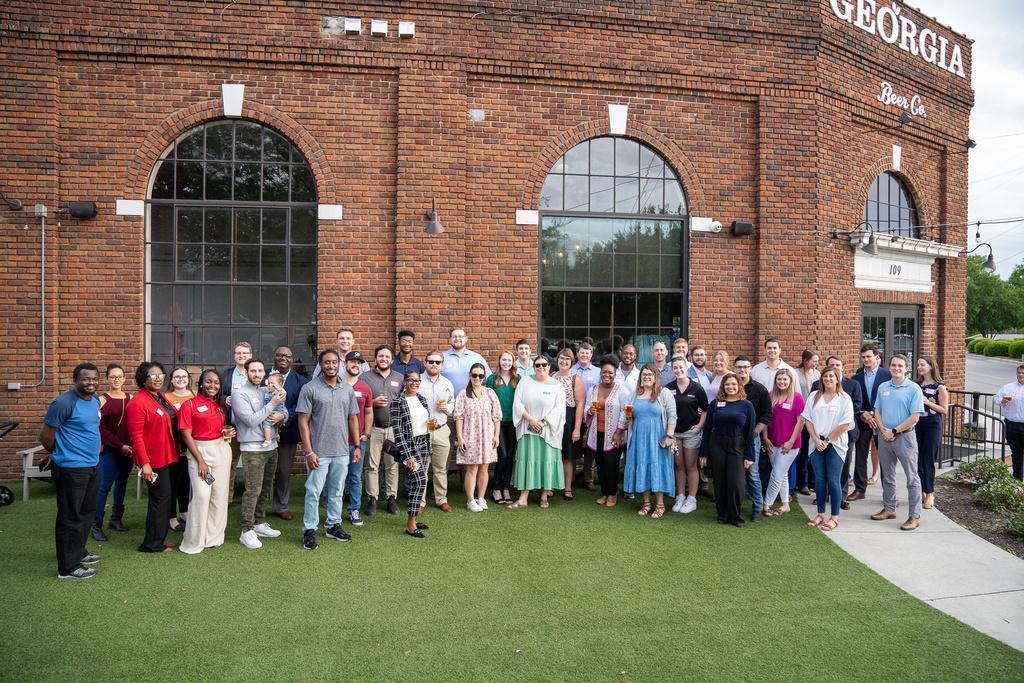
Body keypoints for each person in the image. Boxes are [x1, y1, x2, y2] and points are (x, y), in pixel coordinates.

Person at [40, 363, 102, 579]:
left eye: (94, 378)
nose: (90, 382)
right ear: (75, 380)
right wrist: (60, 454)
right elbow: (46, 436)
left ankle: (78, 552)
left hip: (92, 465)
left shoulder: (95, 400)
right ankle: (67, 568)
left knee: (86, 512)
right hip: (71, 468)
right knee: (70, 516)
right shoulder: (64, 402)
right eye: (85, 379)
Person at [297, 349, 360, 550]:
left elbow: (353, 419)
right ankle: (309, 529)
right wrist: (309, 451)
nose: (331, 366)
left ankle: (333, 525)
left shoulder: (347, 389)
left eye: (334, 362)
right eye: (327, 362)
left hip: (341, 450)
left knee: (337, 491)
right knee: (313, 492)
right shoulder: (310, 388)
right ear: (321, 364)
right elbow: (303, 421)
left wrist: (356, 445)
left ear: (339, 365)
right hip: (318, 452)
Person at [178, 370, 235, 554]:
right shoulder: (189, 405)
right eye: (209, 382)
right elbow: (186, 435)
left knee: (219, 497)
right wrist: (200, 461)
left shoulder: (219, 406)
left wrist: (227, 433)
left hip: (221, 450)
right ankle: (193, 540)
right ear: (201, 384)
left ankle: (213, 537)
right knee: (202, 496)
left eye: (216, 382)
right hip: (199, 452)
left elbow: (218, 430)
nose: (213, 385)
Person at [232, 358, 286, 549]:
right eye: (253, 371)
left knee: (265, 487)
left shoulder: (266, 390)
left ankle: (259, 523)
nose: (257, 374)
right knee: (253, 490)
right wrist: (272, 404)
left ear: (264, 373)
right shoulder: (239, 394)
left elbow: (284, 410)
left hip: (272, 447)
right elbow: (251, 421)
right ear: (246, 372)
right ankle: (246, 530)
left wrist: (282, 415)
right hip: (253, 449)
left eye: (260, 371)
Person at [127, 362, 179, 553]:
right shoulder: (137, 402)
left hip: (168, 456)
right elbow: (136, 437)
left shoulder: (160, 396)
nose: (158, 379)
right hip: (153, 460)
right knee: (160, 499)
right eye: (153, 376)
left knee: (164, 499)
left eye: (161, 375)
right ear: (143, 379)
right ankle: (151, 544)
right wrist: (145, 464)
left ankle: (159, 538)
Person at [870, 354, 925, 530]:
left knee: (912, 477)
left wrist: (894, 431)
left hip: (905, 438)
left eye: (900, 366)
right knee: (887, 475)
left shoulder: (914, 388)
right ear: (889, 367)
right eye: (893, 365)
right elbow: (877, 411)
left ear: (906, 368)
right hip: (885, 437)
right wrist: (883, 430)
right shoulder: (883, 387)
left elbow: (915, 416)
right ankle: (889, 508)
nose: (896, 368)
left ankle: (914, 516)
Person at [801, 368, 855, 531]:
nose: (828, 379)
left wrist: (828, 440)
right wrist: (816, 439)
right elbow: (807, 419)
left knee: (833, 480)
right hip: (816, 443)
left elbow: (846, 423)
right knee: (820, 480)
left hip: (835, 444)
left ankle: (834, 517)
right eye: (825, 376)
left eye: (831, 376)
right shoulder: (814, 396)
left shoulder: (844, 398)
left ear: (837, 379)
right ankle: (820, 514)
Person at [700, 373, 756, 527]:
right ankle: (722, 515)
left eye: (733, 384)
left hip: (737, 446)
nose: (730, 387)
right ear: (723, 387)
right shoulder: (715, 404)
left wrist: (749, 455)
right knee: (719, 481)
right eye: (727, 384)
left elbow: (750, 432)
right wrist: (704, 452)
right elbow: (707, 428)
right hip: (717, 444)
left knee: (736, 482)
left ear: (739, 386)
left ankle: (735, 516)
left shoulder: (747, 405)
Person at [509, 356, 565, 509]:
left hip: (548, 431)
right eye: (537, 365)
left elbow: (559, 409)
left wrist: (543, 422)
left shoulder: (557, 386)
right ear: (533, 367)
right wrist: (531, 420)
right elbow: (517, 403)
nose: (541, 367)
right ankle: (523, 498)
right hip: (528, 428)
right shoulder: (525, 381)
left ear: (549, 367)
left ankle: (544, 496)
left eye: (544, 365)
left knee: (546, 460)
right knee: (527, 459)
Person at [622, 364, 677, 518]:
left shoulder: (664, 393)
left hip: (658, 437)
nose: (646, 377)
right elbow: (628, 417)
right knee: (642, 466)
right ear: (640, 377)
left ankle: (660, 505)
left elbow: (672, 416)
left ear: (655, 377)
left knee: (657, 467)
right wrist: (627, 416)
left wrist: (670, 436)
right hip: (638, 437)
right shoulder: (634, 394)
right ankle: (646, 503)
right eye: (644, 374)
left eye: (650, 374)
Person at [813, 356, 863, 509]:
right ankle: (823, 496)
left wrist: (836, 420)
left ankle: (842, 496)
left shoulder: (853, 385)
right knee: (822, 469)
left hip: (844, 433)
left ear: (842, 367)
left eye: (837, 365)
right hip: (820, 435)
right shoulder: (816, 386)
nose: (834, 368)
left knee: (842, 467)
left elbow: (856, 406)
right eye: (831, 365)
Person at [91, 364, 133, 542]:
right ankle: (96, 525)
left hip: (128, 451)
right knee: (104, 486)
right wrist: (119, 445)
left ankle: (116, 520)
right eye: (113, 376)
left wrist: (131, 447)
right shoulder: (101, 400)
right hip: (110, 450)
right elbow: (100, 428)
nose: (117, 379)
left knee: (122, 483)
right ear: (107, 379)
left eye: (120, 376)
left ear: (124, 378)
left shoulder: (132, 398)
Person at [361, 345, 404, 515]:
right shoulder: (365, 377)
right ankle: (372, 498)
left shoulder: (399, 378)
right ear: (375, 358)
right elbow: (360, 403)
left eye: (387, 356)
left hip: (393, 429)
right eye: (381, 356)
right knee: (371, 465)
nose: (384, 359)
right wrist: (372, 403)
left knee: (392, 465)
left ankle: (391, 498)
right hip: (373, 428)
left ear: (392, 360)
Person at [267, 345, 308, 522]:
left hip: (287, 432)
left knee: (283, 471)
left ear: (292, 359)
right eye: (279, 355)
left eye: (287, 356)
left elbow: (300, 406)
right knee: (262, 471)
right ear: (274, 357)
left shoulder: (301, 382)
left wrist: (283, 417)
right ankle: (259, 507)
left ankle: (281, 506)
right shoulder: (263, 376)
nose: (283, 358)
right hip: (262, 432)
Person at [389, 371, 431, 538]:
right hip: (410, 446)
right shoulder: (397, 402)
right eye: (411, 380)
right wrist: (408, 456)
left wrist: (431, 425)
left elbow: (424, 423)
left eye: (417, 380)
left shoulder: (422, 399)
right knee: (420, 481)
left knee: (417, 482)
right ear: (404, 382)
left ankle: (413, 518)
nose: (414, 383)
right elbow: (398, 432)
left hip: (424, 444)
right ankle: (410, 524)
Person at [583, 357, 630, 508]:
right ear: (600, 373)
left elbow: (627, 411)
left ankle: (612, 493)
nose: (607, 375)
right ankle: (604, 493)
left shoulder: (622, 391)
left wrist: (619, 432)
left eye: (610, 372)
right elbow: (587, 406)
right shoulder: (593, 389)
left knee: (611, 464)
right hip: (596, 433)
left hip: (615, 435)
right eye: (604, 372)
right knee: (601, 464)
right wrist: (589, 411)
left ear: (615, 374)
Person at [455, 363, 502, 512]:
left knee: (484, 468)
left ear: (484, 377)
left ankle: (481, 497)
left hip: (487, 437)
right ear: (470, 376)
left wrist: (496, 436)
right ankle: (470, 500)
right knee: (472, 468)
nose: (477, 378)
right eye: (474, 375)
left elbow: (497, 417)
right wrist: (460, 437)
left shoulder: (490, 393)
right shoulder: (463, 394)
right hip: (470, 437)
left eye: (480, 375)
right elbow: (459, 417)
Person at [733, 356, 772, 522]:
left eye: (745, 367)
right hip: (732, 438)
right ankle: (736, 507)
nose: (742, 370)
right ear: (734, 368)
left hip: (752, 438)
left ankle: (757, 508)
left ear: (750, 369)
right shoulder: (729, 386)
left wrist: (755, 431)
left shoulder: (759, 389)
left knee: (753, 474)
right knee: (736, 474)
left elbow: (767, 414)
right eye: (739, 367)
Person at [850, 344, 891, 502]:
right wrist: (862, 414)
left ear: (877, 357)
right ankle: (860, 490)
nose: (866, 359)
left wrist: (874, 414)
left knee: (886, 459)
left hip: (883, 423)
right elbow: (854, 401)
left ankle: (888, 493)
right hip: (863, 423)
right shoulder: (856, 378)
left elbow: (891, 399)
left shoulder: (887, 375)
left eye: (869, 356)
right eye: (863, 357)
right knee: (860, 457)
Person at [668, 354, 708, 514]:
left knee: (691, 465)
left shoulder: (697, 388)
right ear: (672, 369)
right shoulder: (668, 387)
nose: (678, 370)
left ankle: (691, 499)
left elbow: (705, 410)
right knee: (678, 465)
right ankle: (680, 496)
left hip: (691, 433)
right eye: (675, 368)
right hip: (674, 434)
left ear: (686, 368)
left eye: (681, 367)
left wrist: (699, 425)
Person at [762, 369, 806, 516]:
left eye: (785, 379)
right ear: (775, 381)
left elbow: (801, 422)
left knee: (776, 474)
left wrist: (791, 441)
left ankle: (766, 504)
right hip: (772, 442)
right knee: (782, 473)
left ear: (790, 381)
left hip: (789, 445)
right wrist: (765, 438)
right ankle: (785, 504)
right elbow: (766, 418)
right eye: (779, 379)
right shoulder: (770, 395)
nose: (782, 382)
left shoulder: (797, 398)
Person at [419, 350, 455, 512]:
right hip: (422, 430)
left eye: (437, 362)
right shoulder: (417, 380)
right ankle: (420, 502)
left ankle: (441, 499)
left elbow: (453, 404)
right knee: (421, 468)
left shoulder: (447, 383)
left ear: (442, 365)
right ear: (425, 363)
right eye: (431, 361)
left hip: (441, 429)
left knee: (440, 468)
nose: (434, 364)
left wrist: (447, 408)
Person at [342, 351, 374, 526]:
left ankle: (354, 509)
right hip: (338, 440)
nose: (355, 365)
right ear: (345, 364)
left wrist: (366, 433)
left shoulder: (365, 387)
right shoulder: (337, 384)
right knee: (336, 478)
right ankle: (334, 512)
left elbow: (368, 412)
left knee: (355, 477)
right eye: (352, 361)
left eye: (358, 362)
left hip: (357, 441)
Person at [219, 341, 252, 502]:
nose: (242, 356)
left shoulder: (256, 372)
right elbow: (218, 394)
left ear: (250, 355)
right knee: (229, 463)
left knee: (251, 464)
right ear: (234, 356)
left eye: (245, 353)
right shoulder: (226, 374)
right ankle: (227, 498)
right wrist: (225, 398)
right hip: (232, 428)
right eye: (239, 353)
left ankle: (251, 498)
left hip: (252, 429)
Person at [486, 351, 520, 505]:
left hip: (513, 422)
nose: (506, 363)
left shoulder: (517, 379)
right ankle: (496, 488)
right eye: (504, 360)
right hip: (497, 422)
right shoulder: (492, 379)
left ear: (513, 362)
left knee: (510, 455)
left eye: (509, 360)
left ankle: (506, 487)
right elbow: (487, 400)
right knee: (503, 455)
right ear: (499, 361)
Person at [163, 367, 194, 533]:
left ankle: (184, 512)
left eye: (184, 376)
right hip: (172, 447)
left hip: (191, 446)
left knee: (186, 481)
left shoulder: (195, 396)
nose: (181, 379)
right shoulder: (165, 398)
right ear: (172, 380)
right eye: (177, 377)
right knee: (172, 483)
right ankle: (171, 517)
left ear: (188, 379)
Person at [915, 356, 948, 509]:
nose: (919, 367)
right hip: (916, 423)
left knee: (928, 458)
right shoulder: (916, 385)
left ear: (930, 366)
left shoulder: (939, 387)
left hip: (932, 425)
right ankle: (920, 491)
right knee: (917, 458)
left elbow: (944, 410)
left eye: (922, 364)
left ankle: (929, 493)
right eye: (918, 365)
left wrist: (927, 402)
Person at [554, 347, 586, 500]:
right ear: (557, 360)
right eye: (562, 358)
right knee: (553, 454)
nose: (564, 361)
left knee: (567, 456)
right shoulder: (552, 376)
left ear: (572, 361)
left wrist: (577, 428)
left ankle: (567, 488)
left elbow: (580, 404)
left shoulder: (576, 379)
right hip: (553, 418)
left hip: (569, 417)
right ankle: (551, 485)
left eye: (567, 359)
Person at [792, 350, 821, 496]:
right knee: (803, 450)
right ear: (805, 360)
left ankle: (812, 481)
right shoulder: (796, 373)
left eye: (817, 361)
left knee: (813, 449)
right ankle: (802, 482)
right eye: (813, 361)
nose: (816, 363)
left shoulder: (817, 374)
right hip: (801, 415)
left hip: (814, 416)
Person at [441, 327, 492, 398]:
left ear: (466, 339)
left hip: (470, 402)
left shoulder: (477, 357)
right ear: (450, 340)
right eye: (454, 336)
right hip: (446, 402)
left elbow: (489, 380)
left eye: (460, 336)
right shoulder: (441, 357)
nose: (457, 338)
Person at [996, 364, 1024, 481]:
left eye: (1023, 373)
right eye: (1019, 373)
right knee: (1016, 452)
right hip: (1011, 424)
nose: (1021, 375)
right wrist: (1002, 400)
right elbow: (996, 399)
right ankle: (1017, 477)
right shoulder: (1008, 387)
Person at [259, 372, 288, 448]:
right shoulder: (268, 392)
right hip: (271, 411)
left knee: (266, 423)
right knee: (272, 425)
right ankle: (276, 434)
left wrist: (279, 388)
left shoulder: (279, 392)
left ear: (280, 385)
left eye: (272, 383)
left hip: (278, 411)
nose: (269, 385)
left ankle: (268, 440)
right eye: (268, 383)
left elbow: (283, 393)